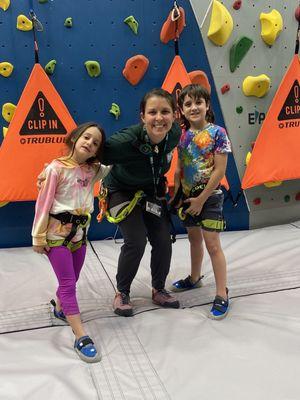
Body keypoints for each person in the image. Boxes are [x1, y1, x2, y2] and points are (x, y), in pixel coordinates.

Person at [32, 122, 111, 363]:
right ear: (75, 138)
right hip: (56, 236)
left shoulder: (93, 170)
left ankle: (58, 308)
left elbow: (115, 160)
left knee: (73, 278)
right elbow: (43, 203)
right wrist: (38, 236)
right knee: (68, 284)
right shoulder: (56, 169)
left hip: (80, 236)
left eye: (96, 143)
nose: (89, 143)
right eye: (86, 137)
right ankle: (81, 335)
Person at [101, 88, 181, 317]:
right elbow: (90, 152)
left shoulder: (173, 134)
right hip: (119, 190)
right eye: (152, 112)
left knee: (163, 239)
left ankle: (159, 289)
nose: (159, 118)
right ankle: (122, 292)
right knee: (136, 240)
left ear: (174, 115)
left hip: (150, 190)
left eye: (165, 111)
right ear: (142, 116)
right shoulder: (125, 141)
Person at [169, 84, 231, 319]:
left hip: (209, 197)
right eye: (188, 104)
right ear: (182, 110)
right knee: (194, 240)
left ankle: (222, 293)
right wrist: (177, 196)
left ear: (207, 106)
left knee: (212, 245)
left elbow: (219, 171)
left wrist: (201, 199)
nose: (194, 107)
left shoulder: (218, 133)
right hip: (187, 198)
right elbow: (179, 167)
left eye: (198, 102)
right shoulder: (181, 135)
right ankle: (195, 278)